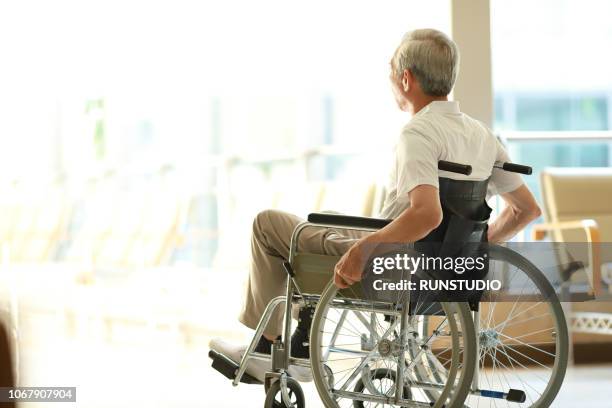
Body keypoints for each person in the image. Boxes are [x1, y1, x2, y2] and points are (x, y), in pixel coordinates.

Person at [210, 28, 541, 382]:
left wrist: (363, 251)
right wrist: (472, 248)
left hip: (396, 264)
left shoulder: (419, 133)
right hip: (439, 267)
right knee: (330, 220)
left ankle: (266, 345)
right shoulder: (481, 135)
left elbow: (427, 214)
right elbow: (525, 210)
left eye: (391, 73)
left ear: (406, 78)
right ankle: (302, 342)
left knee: (268, 225)